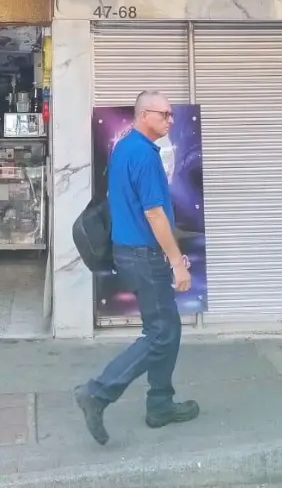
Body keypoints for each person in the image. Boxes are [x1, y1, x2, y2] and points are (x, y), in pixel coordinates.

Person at [74, 91, 199, 445]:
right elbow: (155, 213)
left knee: (167, 329)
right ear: (144, 114)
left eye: (173, 115)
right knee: (160, 334)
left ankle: (160, 404)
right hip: (144, 257)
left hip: (131, 252)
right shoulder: (143, 155)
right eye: (165, 114)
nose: (171, 121)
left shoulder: (126, 146)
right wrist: (177, 261)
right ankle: (97, 393)